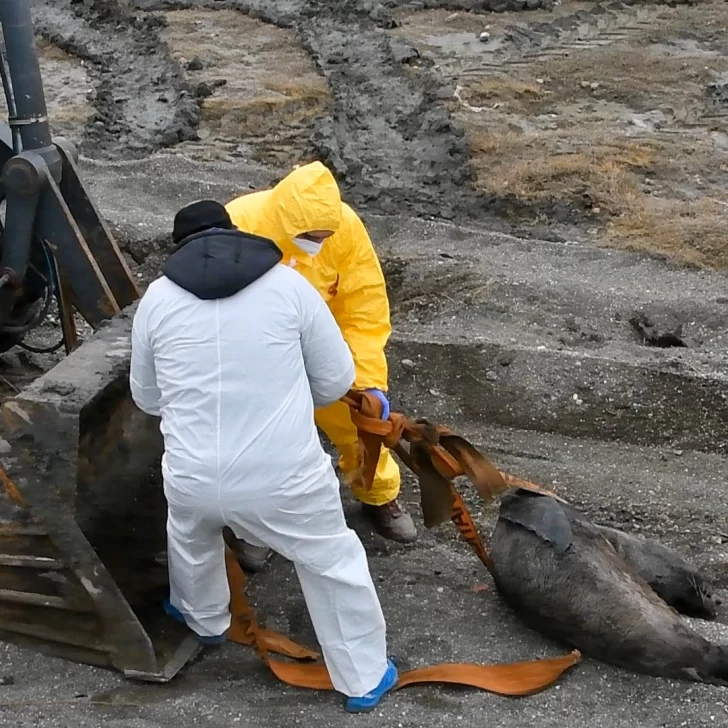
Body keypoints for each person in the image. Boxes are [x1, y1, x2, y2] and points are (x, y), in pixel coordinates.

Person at [129, 200, 398, 712]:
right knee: (330, 560)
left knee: (189, 533)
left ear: (179, 248)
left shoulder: (157, 301)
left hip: (193, 475)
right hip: (283, 479)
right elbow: (336, 382)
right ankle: (362, 677)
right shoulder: (288, 286)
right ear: (235, 235)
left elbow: (147, 398)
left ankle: (204, 620)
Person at [224, 161, 418, 573]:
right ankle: (253, 527)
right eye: (311, 237)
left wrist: (367, 383)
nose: (319, 242)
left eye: (324, 236)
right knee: (258, 440)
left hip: (322, 348)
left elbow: (363, 309)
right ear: (286, 222)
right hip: (256, 356)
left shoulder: (345, 229)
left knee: (358, 423)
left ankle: (377, 494)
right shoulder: (239, 223)